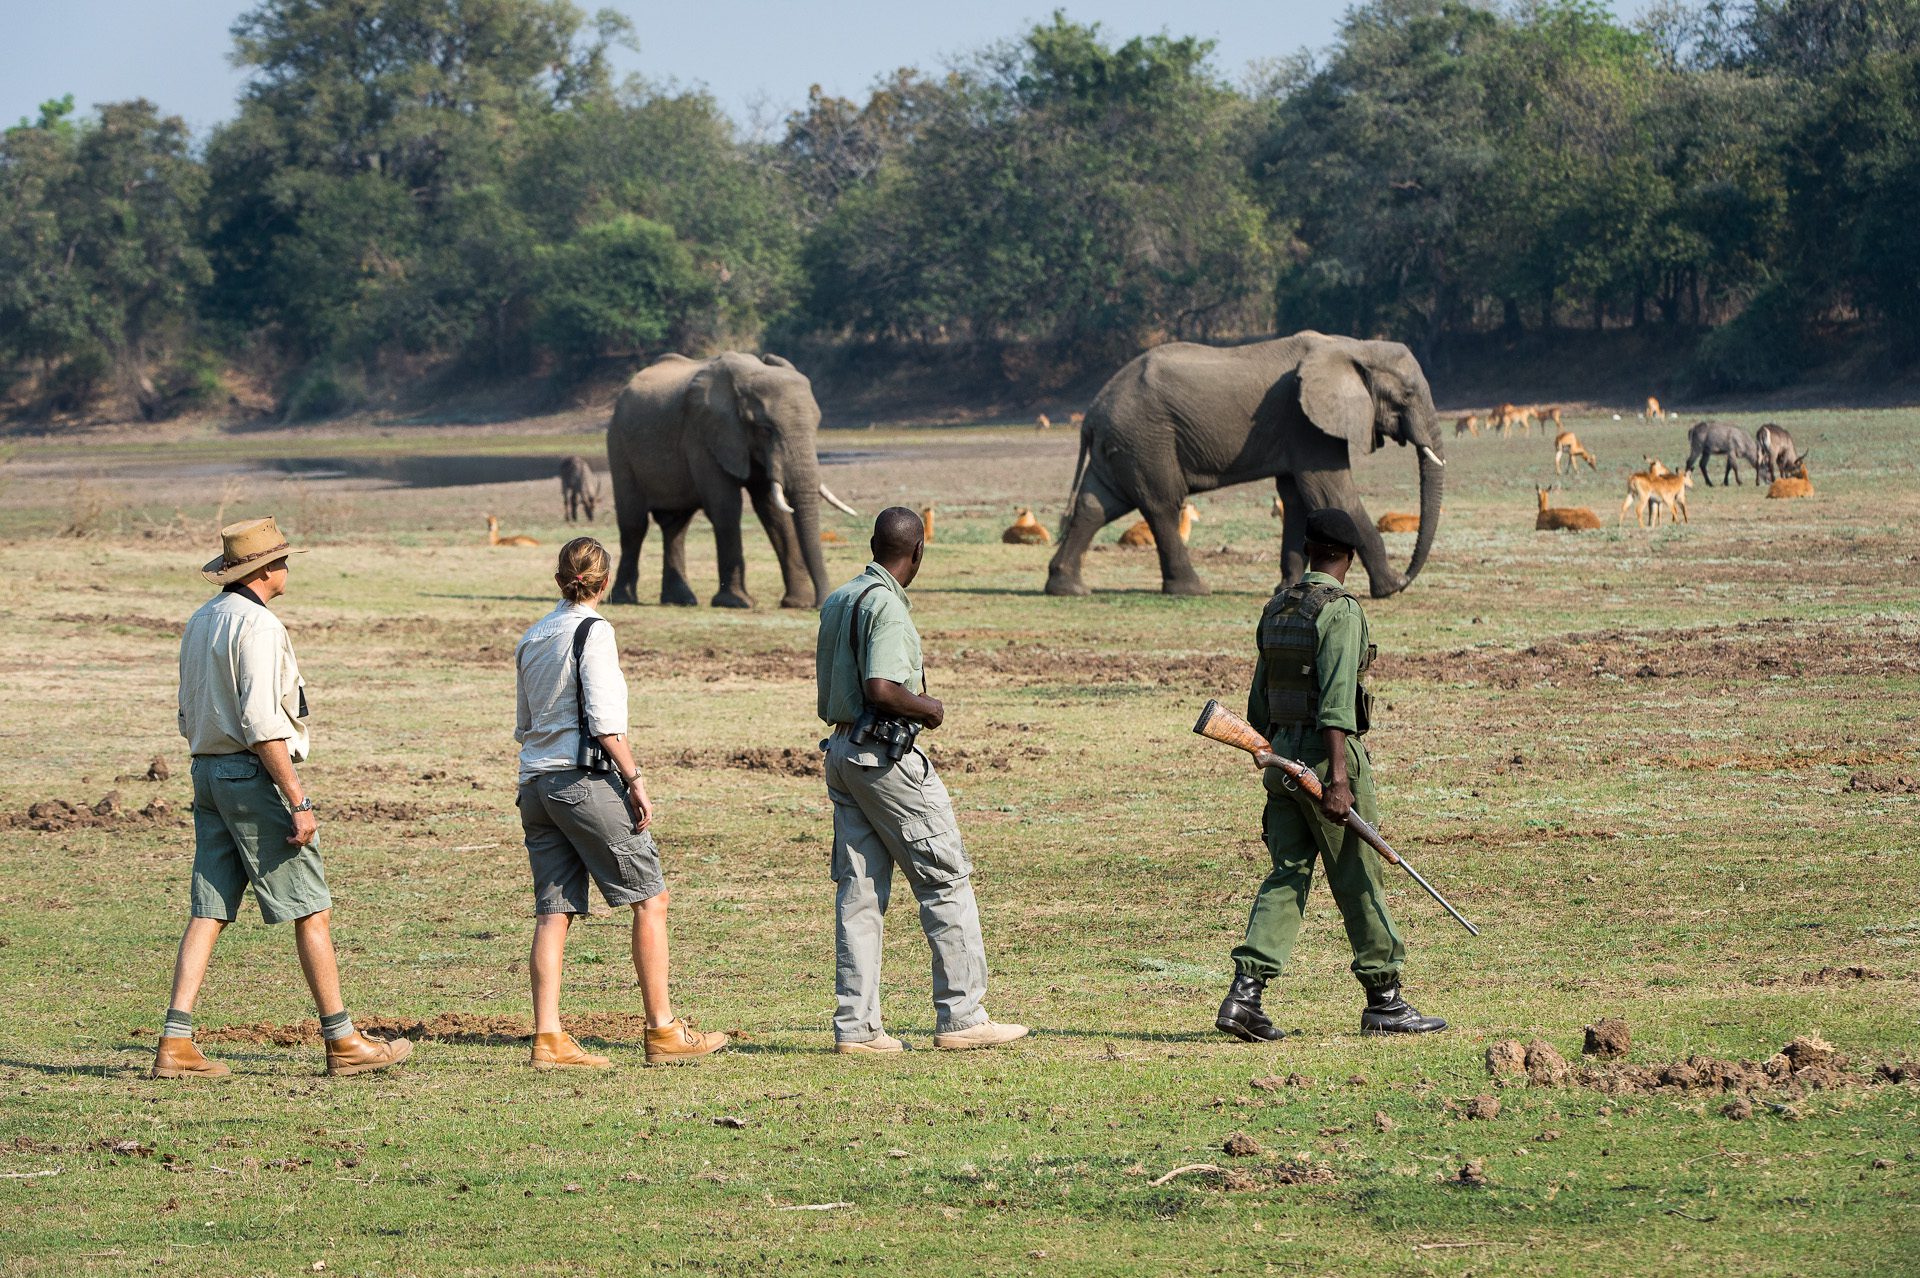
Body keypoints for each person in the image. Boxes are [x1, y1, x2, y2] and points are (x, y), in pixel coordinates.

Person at [156, 518, 414, 1079]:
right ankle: (343, 1041)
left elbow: (186, 709)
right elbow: (262, 723)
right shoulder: (260, 626)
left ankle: (175, 1042)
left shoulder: (202, 620)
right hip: (252, 776)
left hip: (206, 771)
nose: (287, 567)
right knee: (312, 907)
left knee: (210, 908)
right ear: (267, 570)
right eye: (282, 560)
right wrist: (297, 799)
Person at [1217, 507, 1447, 1041]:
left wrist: (1278, 754)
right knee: (1358, 872)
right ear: (1351, 556)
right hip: (1325, 761)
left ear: (1308, 549)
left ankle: (1244, 996)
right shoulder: (1339, 612)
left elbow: (1257, 707)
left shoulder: (1277, 607)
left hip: (1281, 760)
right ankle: (1385, 999)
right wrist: (1338, 780)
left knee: (1288, 874)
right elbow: (1339, 705)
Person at [815, 508, 1027, 1053]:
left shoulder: (841, 598)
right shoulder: (886, 604)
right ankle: (962, 1016)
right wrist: (928, 707)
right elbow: (882, 686)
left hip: (842, 751)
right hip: (884, 757)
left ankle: (857, 1029)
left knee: (860, 893)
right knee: (945, 877)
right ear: (919, 551)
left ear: (872, 544)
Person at [512, 536, 727, 1068]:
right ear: (604, 582)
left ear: (560, 577)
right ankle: (662, 1030)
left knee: (553, 910)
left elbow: (524, 725)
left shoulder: (533, 635)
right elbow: (606, 721)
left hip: (535, 785)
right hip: (583, 780)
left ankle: (548, 1038)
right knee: (650, 898)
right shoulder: (595, 631)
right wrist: (634, 778)